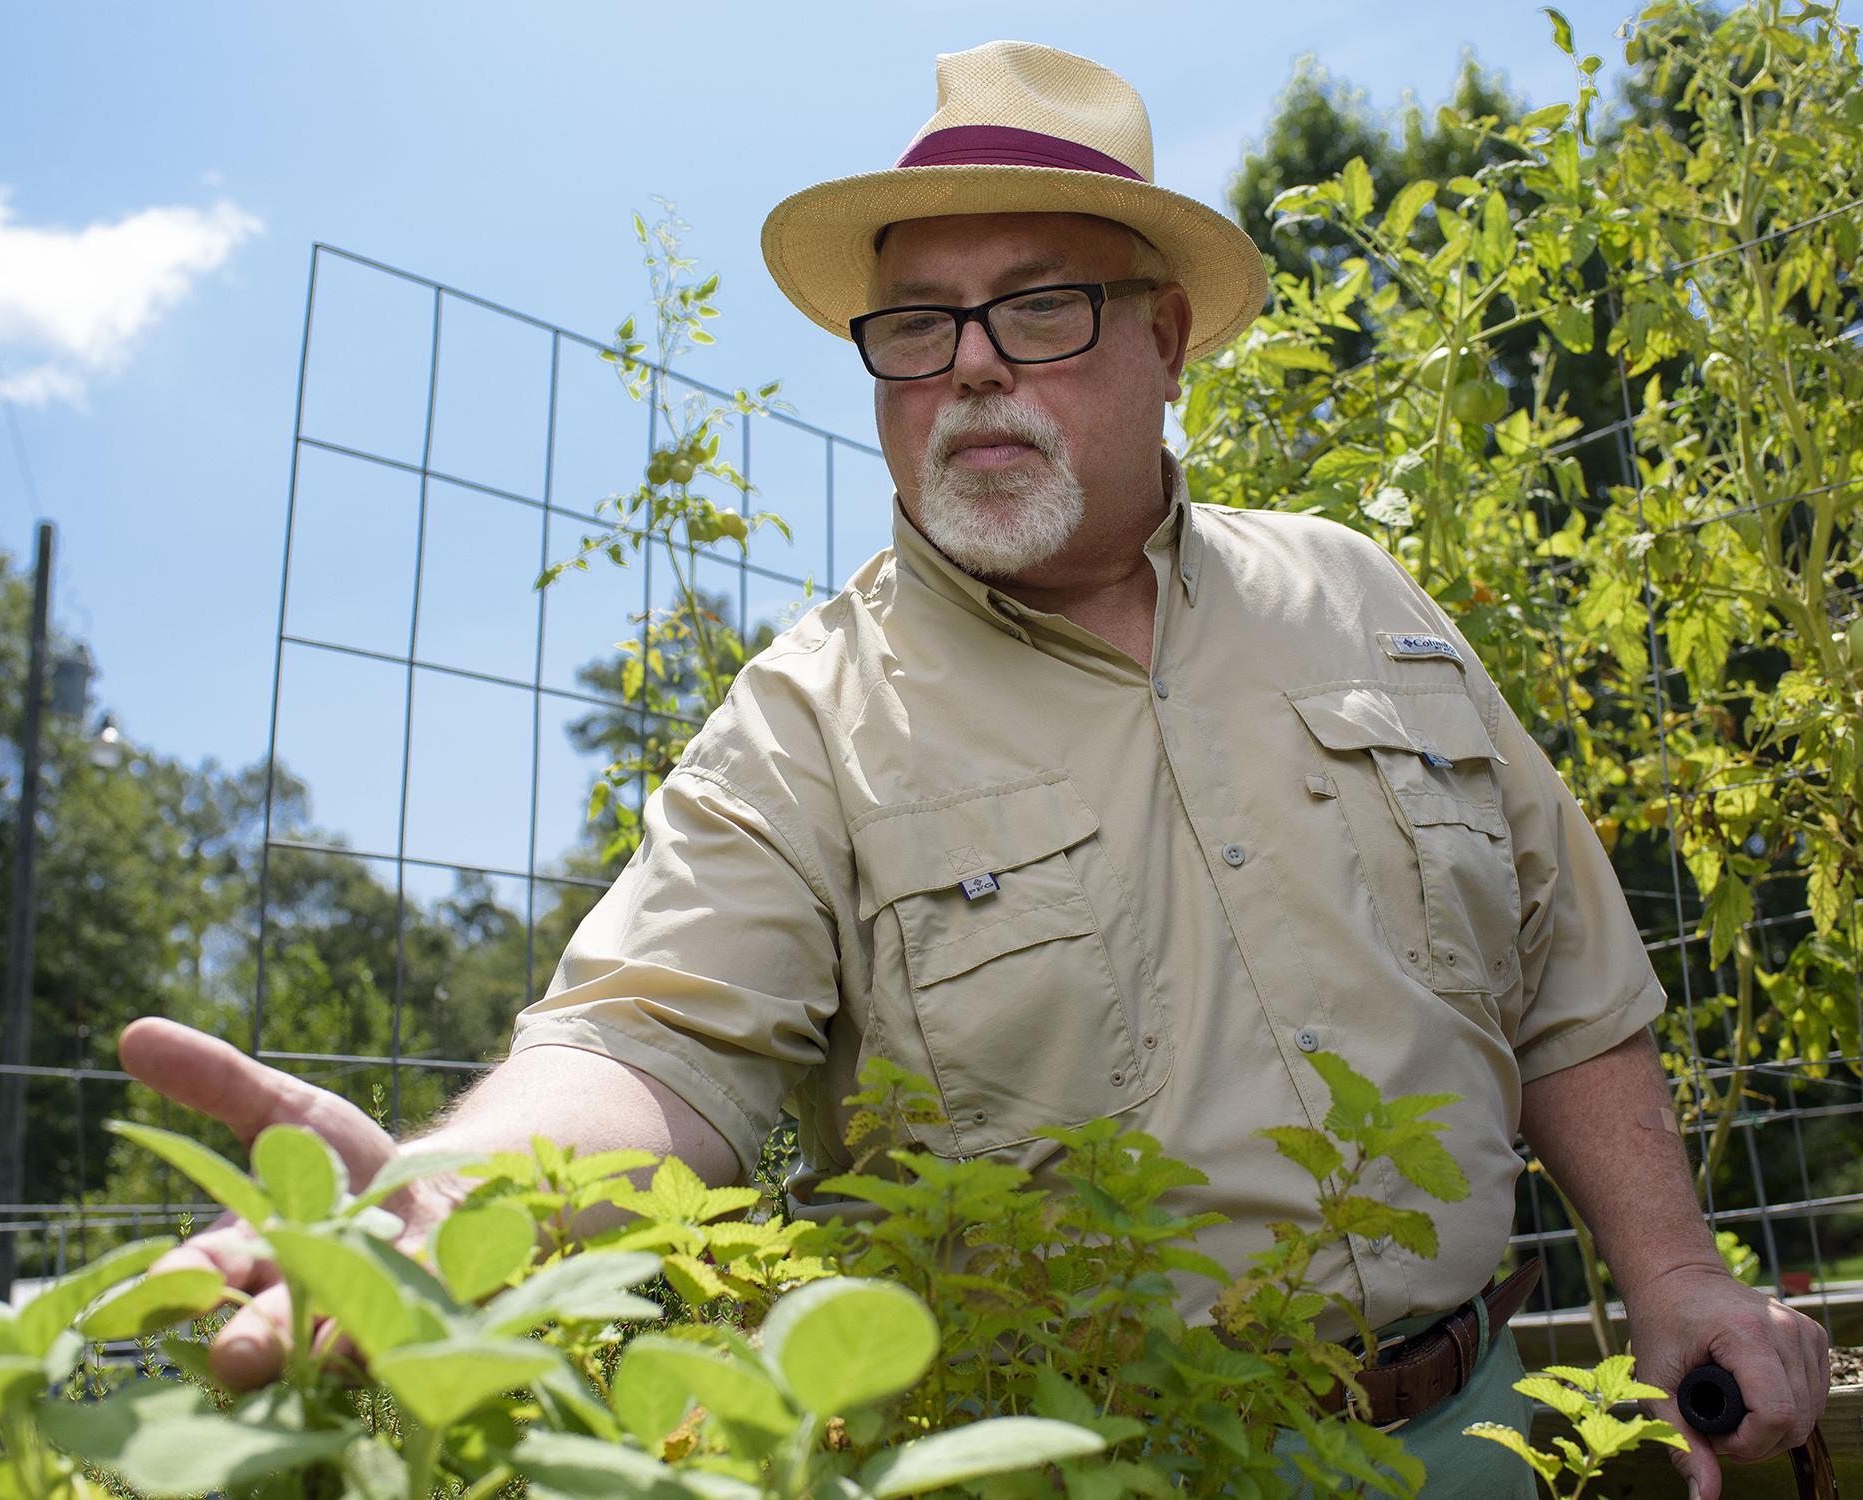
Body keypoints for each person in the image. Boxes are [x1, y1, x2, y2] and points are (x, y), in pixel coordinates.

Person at [123, 40, 1827, 1498]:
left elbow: (1565, 983)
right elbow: (648, 1039)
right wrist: (461, 1197)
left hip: (1477, 1434)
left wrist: (1673, 1272)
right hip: (1075, 1467)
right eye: (920, 325)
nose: (974, 366)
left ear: (1168, 338)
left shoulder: (1357, 596)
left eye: (1041, 307)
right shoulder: (807, 719)